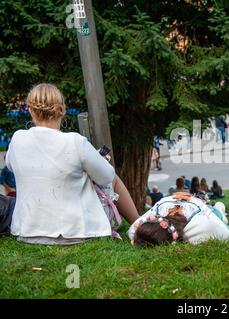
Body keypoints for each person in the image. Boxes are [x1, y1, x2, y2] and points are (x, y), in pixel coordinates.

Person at [5, 83, 140, 245]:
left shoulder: (18, 138)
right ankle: (138, 223)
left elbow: (11, 166)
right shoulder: (75, 141)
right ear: (62, 110)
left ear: (31, 110)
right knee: (114, 178)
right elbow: (106, 177)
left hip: (27, 231)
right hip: (78, 232)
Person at [128, 192, 229, 246]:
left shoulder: (200, 225)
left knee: (220, 214)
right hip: (193, 204)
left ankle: (219, 206)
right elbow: (135, 227)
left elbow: (224, 233)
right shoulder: (199, 225)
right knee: (218, 212)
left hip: (200, 206)